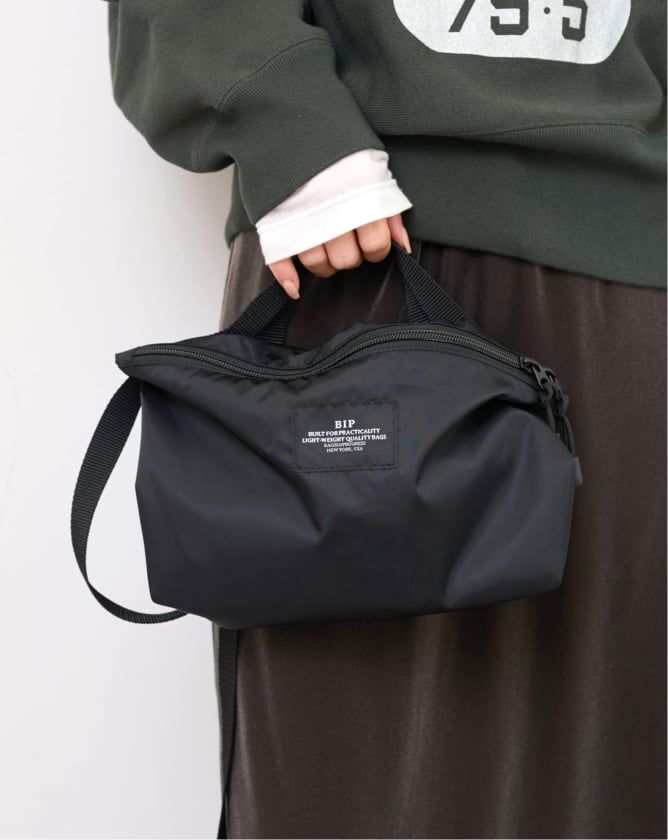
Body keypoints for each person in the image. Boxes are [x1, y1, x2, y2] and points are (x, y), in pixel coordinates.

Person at [106, 2, 666, 836]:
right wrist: (293, 131)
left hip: (636, 269)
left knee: (613, 770)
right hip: (362, 237)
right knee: (355, 781)